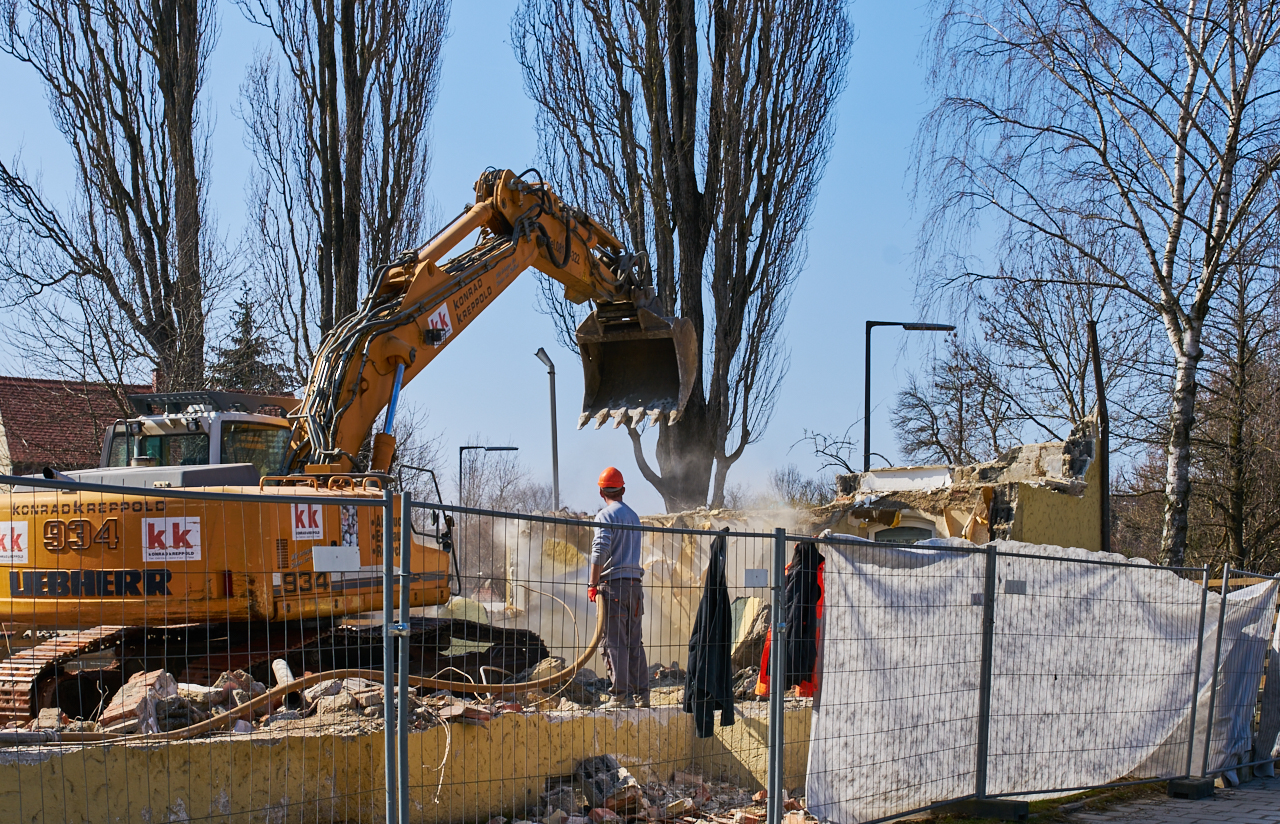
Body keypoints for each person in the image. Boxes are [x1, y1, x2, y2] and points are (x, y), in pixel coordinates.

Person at [587, 466, 650, 709]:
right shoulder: (633, 517)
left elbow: (600, 551)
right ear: (623, 489)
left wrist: (592, 584)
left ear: (601, 492)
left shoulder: (605, 516)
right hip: (635, 588)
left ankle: (620, 696)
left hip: (613, 588)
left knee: (613, 642)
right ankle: (642, 695)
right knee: (634, 642)